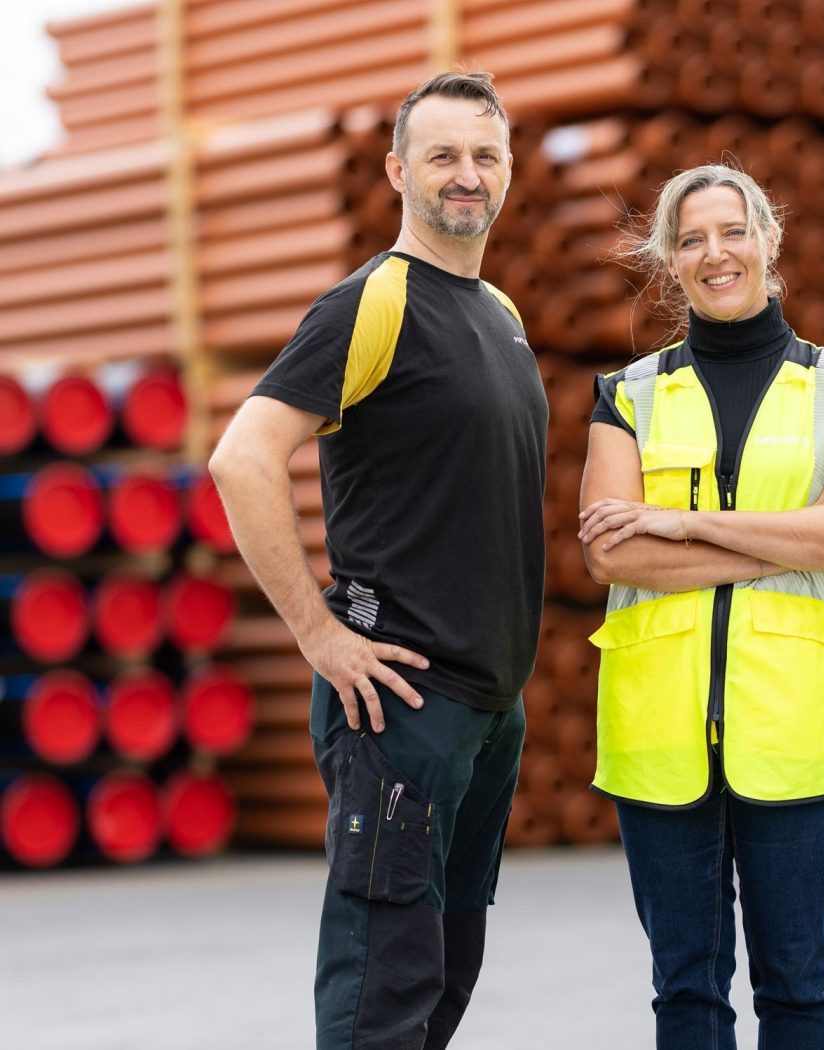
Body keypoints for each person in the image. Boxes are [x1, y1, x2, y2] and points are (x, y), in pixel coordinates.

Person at [209, 72, 545, 1050]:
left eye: (485, 155)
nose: (467, 175)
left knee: (442, 982)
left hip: (486, 710)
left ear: (509, 170)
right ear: (399, 170)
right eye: (442, 155)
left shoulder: (501, 315)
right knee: (380, 998)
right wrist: (318, 633)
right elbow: (243, 458)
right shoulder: (373, 303)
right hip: (399, 702)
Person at [577, 163, 824, 1050]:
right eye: (690, 239)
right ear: (668, 261)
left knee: (798, 989)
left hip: (797, 730)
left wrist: (681, 523)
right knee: (685, 992)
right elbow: (612, 549)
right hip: (657, 737)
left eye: (732, 232)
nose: (715, 254)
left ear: (769, 242)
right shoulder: (626, 395)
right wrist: (789, 538)